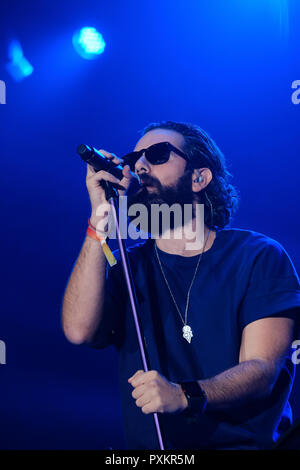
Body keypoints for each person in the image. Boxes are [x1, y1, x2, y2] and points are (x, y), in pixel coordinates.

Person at [62, 121, 300, 450]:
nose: (140, 166)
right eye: (134, 159)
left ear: (200, 177)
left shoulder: (257, 256)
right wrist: (99, 220)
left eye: (157, 154)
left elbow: (261, 370)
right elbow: (79, 331)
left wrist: (183, 395)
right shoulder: (128, 268)